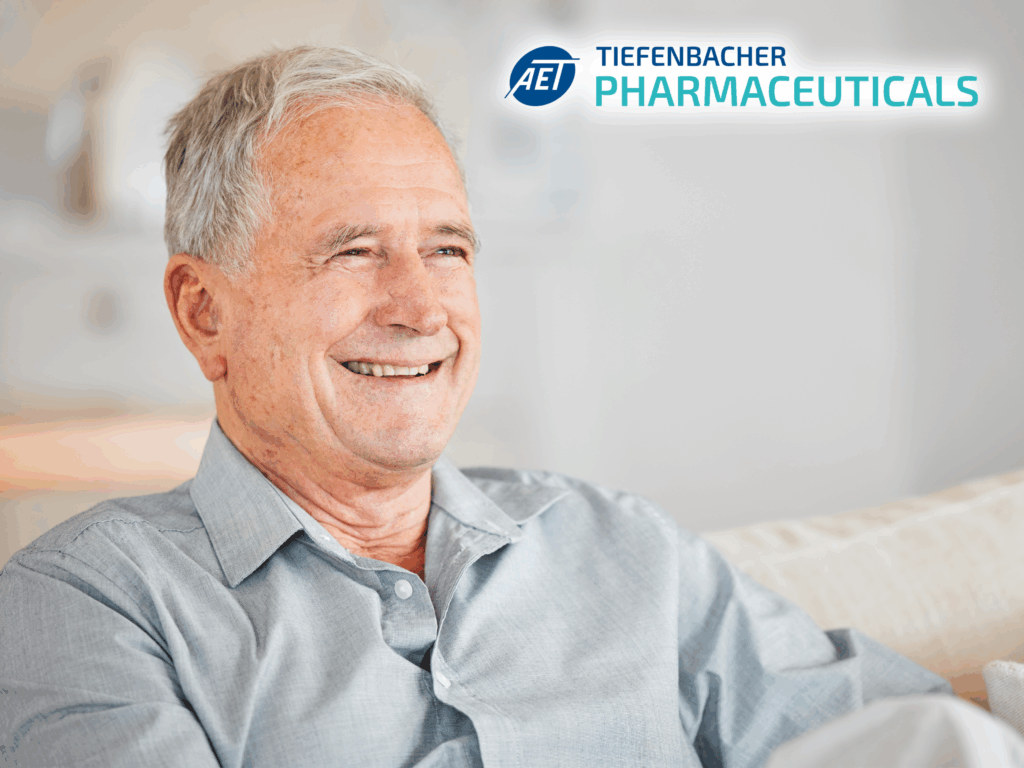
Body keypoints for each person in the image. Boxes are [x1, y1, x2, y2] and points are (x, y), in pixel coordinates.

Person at [0, 45, 958, 767]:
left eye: (448, 250)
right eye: (354, 250)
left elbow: (915, 735)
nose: (421, 309)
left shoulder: (618, 546)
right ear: (205, 314)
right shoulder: (89, 605)